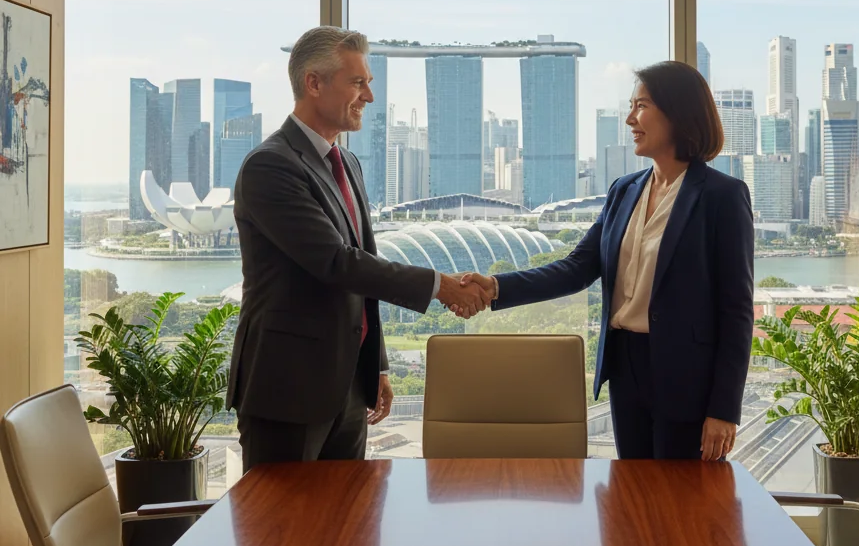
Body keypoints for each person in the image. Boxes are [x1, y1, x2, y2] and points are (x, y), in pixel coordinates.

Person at [227, 26, 493, 470]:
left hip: (348, 387)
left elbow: (362, 264)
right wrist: (440, 285)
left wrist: (378, 365)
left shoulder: (345, 162)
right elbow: (337, 263)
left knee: (345, 525)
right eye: (358, 82)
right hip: (287, 390)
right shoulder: (270, 166)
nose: (369, 95)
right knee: (283, 532)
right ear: (314, 83)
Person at [460, 61, 754, 460]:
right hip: (626, 368)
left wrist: (724, 409)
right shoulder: (625, 190)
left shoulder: (722, 196)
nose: (631, 118)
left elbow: (736, 310)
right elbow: (577, 267)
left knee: (681, 505)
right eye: (631, 106)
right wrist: (496, 287)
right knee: (631, 496)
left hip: (688, 378)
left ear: (678, 112)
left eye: (642, 105)